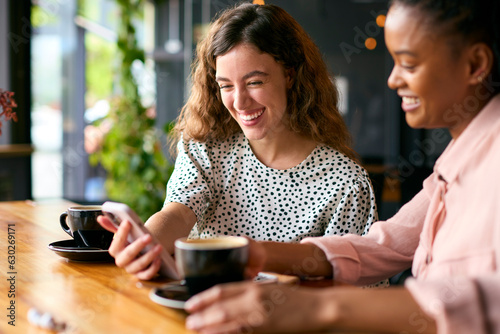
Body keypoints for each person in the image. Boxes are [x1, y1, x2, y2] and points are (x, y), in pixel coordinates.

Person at [183, 0, 500, 333]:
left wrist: (319, 308)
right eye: (226, 85)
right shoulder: (456, 160)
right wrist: (255, 252)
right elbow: (384, 246)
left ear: (475, 64)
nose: (392, 80)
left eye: (408, 64)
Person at [98, 2, 378, 281]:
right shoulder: (207, 147)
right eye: (226, 86)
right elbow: (178, 212)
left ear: (290, 74)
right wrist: (147, 242)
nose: (240, 102)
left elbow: (356, 292)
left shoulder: (346, 183)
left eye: (255, 82)